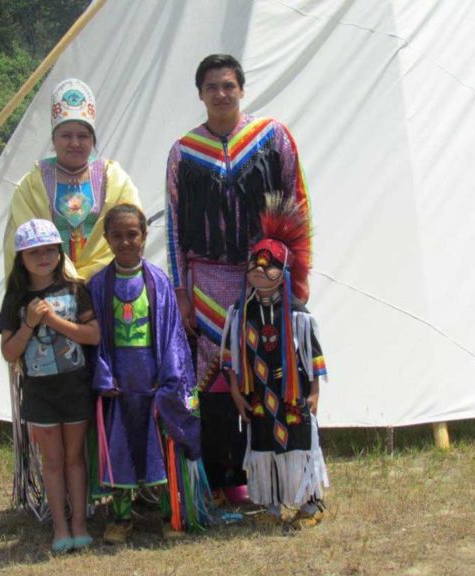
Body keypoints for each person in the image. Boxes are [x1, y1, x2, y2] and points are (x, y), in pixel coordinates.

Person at [165, 54, 313, 496]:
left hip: (262, 277)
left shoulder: (272, 138)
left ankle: (272, 476)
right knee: (213, 384)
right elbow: (174, 226)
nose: (221, 94)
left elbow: (297, 205)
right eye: (212, 87)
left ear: (242, 89)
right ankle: (223, 477)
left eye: (228, 85)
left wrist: (296, 275)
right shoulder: (183, 152)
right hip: (207, 282)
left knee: (266, 370)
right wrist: (182, 291)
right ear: (200, 94)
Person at [88, 204, 210, 544]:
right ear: (107, 239)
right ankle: (121, 516)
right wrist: (104, 375)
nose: (126, 242)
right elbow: (93, 336)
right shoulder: (98, 285)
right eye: (117, 235)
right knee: (121, 446)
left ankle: (170, 512)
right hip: (119, 382)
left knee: (163, 443)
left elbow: (172, 333)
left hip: (155, 380)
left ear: (144, 236)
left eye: (133, 234)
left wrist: (169, 377)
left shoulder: (159, 281)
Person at [222, 193, 328, 527]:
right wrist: (237, 394)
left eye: (269, 265)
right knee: (264, 446)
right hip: (258, 396)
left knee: (298, 444)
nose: (260, 270)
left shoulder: (298, 315)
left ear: (283, 272)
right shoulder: (240, 314)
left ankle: (311, 504)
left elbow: (315, 357)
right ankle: (270, 504)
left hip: (291, 394)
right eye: (255, 263)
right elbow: (231, 361)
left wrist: (314, 392)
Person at [0, 218, 100, 554]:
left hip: (75, 388)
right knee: (52, 463)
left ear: (59, 252)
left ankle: (80, 525)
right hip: (40, 394)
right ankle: (59, 527)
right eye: (34, 252)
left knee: (75, 459)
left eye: (49, 250)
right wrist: (30, 322)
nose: (43, 257)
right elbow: (10, 353)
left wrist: (55, 321)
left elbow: (94, 335)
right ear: (21, 258)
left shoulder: (75, 289)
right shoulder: (15, 299)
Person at [4, 77, 141, 282]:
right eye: (66, 135)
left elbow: (133, 231)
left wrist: (92, 278)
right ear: (53, 139)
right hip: (50, 288)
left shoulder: (113, 178)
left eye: (83, 136)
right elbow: (23, 240)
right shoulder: (33, 184)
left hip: (107, 284)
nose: (75, 143)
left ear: (93, 140)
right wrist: (65, 278)